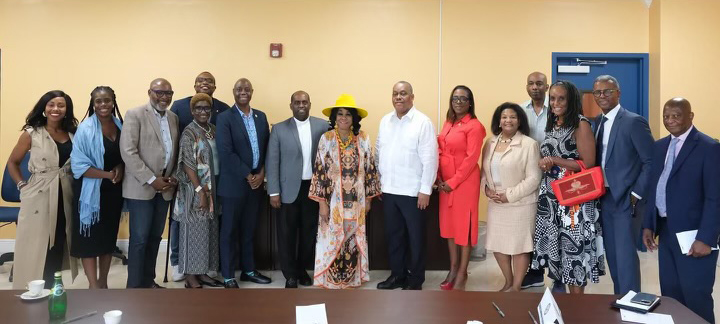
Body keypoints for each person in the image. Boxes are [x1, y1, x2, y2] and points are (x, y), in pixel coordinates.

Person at [642, 98, 720, 323]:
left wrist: (706, 238)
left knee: (695, 295)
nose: (670, 120)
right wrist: (649, 224)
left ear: (690, 116)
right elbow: (654, 187)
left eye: (676, 115)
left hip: (694, 236)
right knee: (670, 295)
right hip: (666, 232)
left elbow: (715, 198)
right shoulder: (659, 146)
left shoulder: (709, 147)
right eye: (666, 116)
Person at [531, 80, 605, 294]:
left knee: (575, 257)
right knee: (560, 253)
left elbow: (588, 163)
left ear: (571, 100)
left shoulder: (580, 124)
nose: (555, 103)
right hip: (552, 198)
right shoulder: (553, 122)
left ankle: (576, 309)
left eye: (561, 98)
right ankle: (566, 303)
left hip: (574, 201)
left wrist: (554, 160)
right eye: (552, 98)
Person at [9, 90, 79, 289]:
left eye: (61, 105)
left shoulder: (73, 134)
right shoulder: (32, 133)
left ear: (67, 110)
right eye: (51, 105)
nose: (56, 109)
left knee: (58, 241)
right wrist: (22, 186)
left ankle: (53, 286)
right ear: (44, 108)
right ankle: (29, 289)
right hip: (39, 194)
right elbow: (13, 163)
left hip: (65, 193)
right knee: (34, 245)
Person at [308, 94, 380, 289]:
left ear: (354, 118)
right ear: (334, 116)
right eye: (340, 113)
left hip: (357, 203)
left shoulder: (363, 138)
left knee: (352, 240)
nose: (343, 117)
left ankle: (350, 278)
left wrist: (370, 199)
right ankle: (330, 280)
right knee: (332, 238)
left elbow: (370, 169)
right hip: (333, 202)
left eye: (348, 114)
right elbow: (319, 171)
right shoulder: (327, 138)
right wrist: (322, 203)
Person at [591, 75, 654, 295]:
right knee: (614, 257)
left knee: (626, 258)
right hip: (604, 198)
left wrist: (636, 193)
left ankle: (632, 305)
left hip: (627, 199)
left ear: (618, 93)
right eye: (597, 92)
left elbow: (651, 161)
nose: (602, 96)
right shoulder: (596, 123)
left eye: (607, 91)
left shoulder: (633, 121)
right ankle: (622, 300)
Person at [168, 71, 230, 280]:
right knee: (192, 232)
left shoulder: (212, 128)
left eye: (206, 108)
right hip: (194, 190)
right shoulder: (189, 132)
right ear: (192, 111)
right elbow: (187, 164)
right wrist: (199, 190)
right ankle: (190, 277)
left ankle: (202, 272)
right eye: (198, 108)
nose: (203, 111)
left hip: (212, 187)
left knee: (207, 231)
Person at [376, 81, 438, 290]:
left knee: (416, 238)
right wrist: (380, 181)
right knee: (394, 237)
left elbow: (430, 159)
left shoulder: (422, 122)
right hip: (389, 190)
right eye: (395, 94)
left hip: (413, 192)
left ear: (412, 96)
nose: (399, 97)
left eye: (403, 94)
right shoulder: (386, 121)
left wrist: (425, 190)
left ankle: (416, 279)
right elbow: (378, 152)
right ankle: (397, 276)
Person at [120, 78, 179, 288]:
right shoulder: (135, 115)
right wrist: (152, 179)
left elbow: (173, 151)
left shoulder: (173, 118)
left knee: (155, 238)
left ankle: (148, 281)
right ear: (149, 92)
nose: (164, 97)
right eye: (159, 92)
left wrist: (170, 177)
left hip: (164, 189)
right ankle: (135, 287)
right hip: (141, 188)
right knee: (139, 240)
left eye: (168, 93)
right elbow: (128, 152)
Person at [266, 91, 327, 288]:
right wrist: (273, 191)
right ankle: (290, 274)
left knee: (309, 234)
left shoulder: (323, 126)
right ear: (291, 105)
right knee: (287, 234)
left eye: (305, 102)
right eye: (297, 102)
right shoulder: (279, 129)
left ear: (310, 104)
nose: (301, 105)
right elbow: (272, 161)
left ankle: (302, 271)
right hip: (287, 191)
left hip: (313, 189)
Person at [216, 78, 271, 288]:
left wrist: (262, 173)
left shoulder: (260, 116)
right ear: (233, 92)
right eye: (239, 89)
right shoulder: (225, 118)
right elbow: (226, 152)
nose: (243, 92)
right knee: (229, 231)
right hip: (233, 186)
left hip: (256, 185)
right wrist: (249, 175)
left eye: (247, 89)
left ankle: (249, 270)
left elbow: (266, 148)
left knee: (249, 230)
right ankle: (229, 276)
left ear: (252, 92)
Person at [482, 102, 541, 292]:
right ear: (499, 121)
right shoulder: (490, 143)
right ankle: (507, 281)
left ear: (519, 121)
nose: (508, 120)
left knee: (519, 246)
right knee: (498, 244)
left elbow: (534, 178)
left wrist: (509, 195)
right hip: (496, 202)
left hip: (520, 203)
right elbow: (484, 171)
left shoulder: (529, 144)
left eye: (513, 117)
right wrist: (486, 189)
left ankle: (516, 286)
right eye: (505, 117)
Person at [70, 86, 124, 289]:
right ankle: (93, 285)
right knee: (90, 240)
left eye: (107, 100)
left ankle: (103, 283)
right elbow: (78, 166)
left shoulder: (120, 124)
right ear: (93, 104)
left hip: (113, 192)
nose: (103, 105)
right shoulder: (85, 129)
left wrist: (119, 166)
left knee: (108, 239)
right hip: (90, 192)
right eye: (99, 101)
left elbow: (123, 154)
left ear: (113, 101)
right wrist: (108, 174)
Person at [436, 85, 486, 291]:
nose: (458, 102)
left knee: (463, 229)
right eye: (455, 98)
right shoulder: (449, 123)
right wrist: (439, 177)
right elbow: (440, 150)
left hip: (464, 183)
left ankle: (463, 272)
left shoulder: (475, 126)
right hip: (445, 183)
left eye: (463, 98)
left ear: (470, 102)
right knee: (449, 228)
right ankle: (453, 267)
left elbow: (471, 159)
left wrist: (452, 182)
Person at [519, 71, 552, 290]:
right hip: (529, 175)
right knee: (531, 225)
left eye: (539, 83)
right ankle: (534, 271)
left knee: (550, 224)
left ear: (546, 86)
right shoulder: (520, 111)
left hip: (554, 175)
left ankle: (555, 270)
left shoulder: (558, 108)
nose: (535, 87)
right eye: (531, 83)